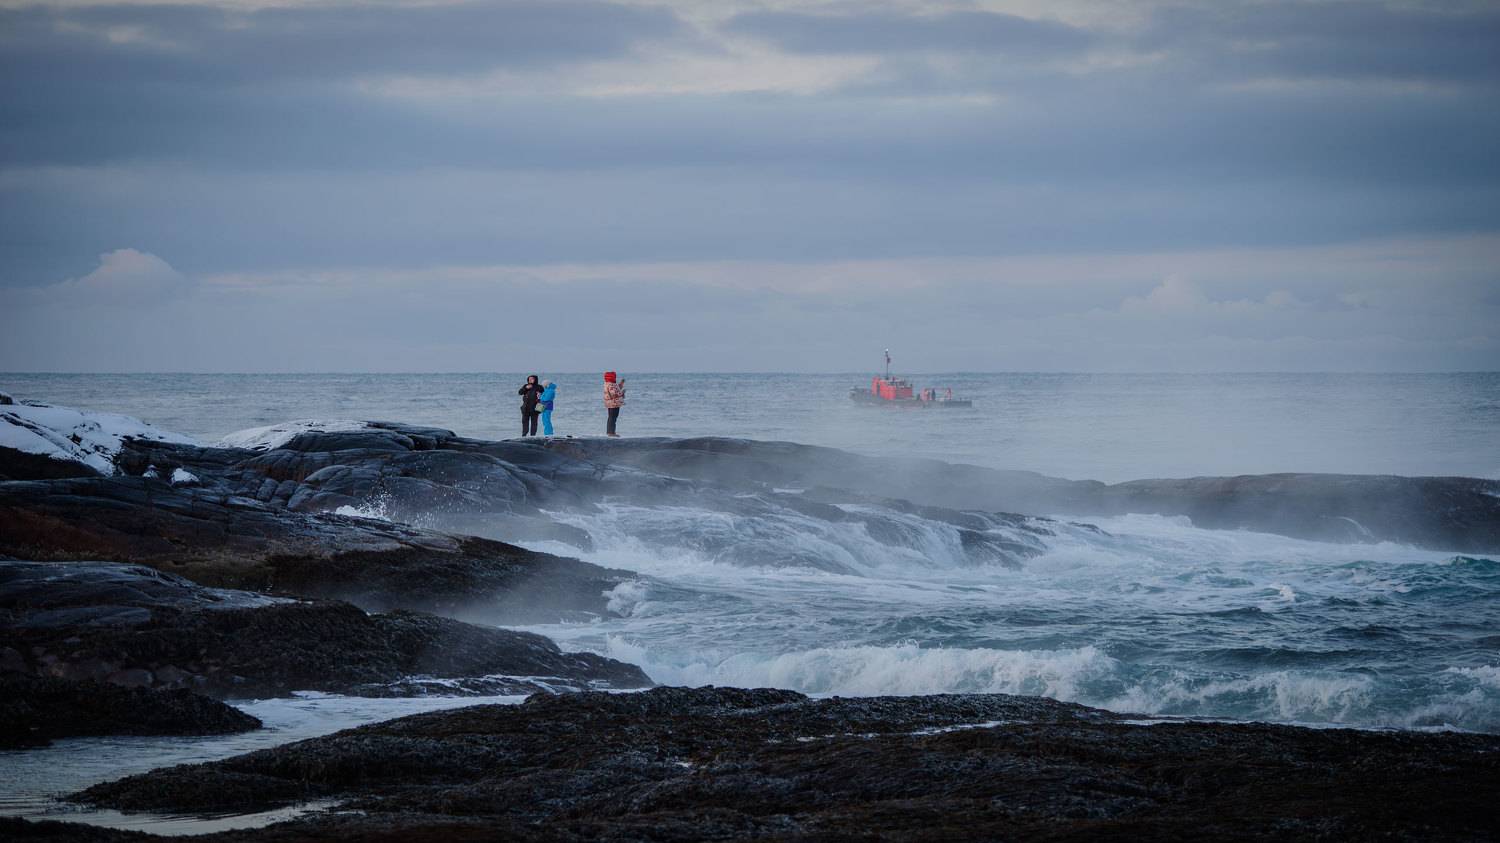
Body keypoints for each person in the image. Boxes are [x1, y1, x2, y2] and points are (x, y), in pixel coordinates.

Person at [603, 371, 625, 436]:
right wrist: (622, 393)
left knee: (611, 417)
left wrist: (621, 385)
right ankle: (611, 432)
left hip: (610, 403)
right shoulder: (611, 384)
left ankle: (610, 432)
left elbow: (616, 389)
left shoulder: (608, 384)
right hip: (614, 403)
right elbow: (614, 394)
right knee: (613, 418)